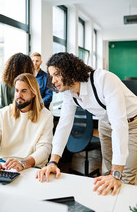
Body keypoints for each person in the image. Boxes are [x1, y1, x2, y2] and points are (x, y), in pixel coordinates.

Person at [36, 52, 137, 196]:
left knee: (124, 175)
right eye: (51, 76)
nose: (53, 80)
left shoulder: (104, 80)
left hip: (132, 123)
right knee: (107, 170)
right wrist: (53, 162)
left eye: (57, 74)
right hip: (105, 123)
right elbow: (64, 125)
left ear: (71, 70)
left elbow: (119, 124)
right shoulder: (68, 92)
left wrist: (116, 174)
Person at [0, 73, 53, 171]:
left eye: (24, 91)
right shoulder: (4, 113)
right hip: (4, 164)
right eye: (17, 90)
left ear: (33, 93)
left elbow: (44, 149)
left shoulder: (46, 116)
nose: (19, 95)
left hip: (31, 166)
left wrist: (23, 163)